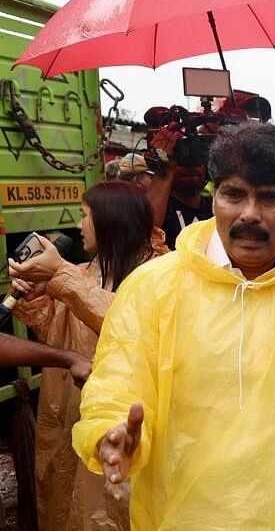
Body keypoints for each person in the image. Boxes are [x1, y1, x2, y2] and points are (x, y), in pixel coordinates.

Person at [72, 122, 275, 530]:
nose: (249, 214)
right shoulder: (155, 286)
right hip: (184, 515)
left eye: (269, 198)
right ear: (215, 199)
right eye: (233, 194)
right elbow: (119, 379)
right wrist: (112, 430)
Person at [8, 181, 163, 531]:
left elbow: (125, 324)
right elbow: (58, 334)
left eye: (85, 215)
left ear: (110, 220)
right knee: (67, 504)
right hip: (69, 416)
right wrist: (35, 298)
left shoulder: (157, 276)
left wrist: (61, 277)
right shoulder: (82, 274)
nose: (79, 226)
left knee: (116, 508)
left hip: (123, 427)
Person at [161, 164, 213, 249]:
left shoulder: (215, 208)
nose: (190, 167)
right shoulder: (160, 209)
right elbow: (149, 231)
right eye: (182, 161)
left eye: (196, 159)